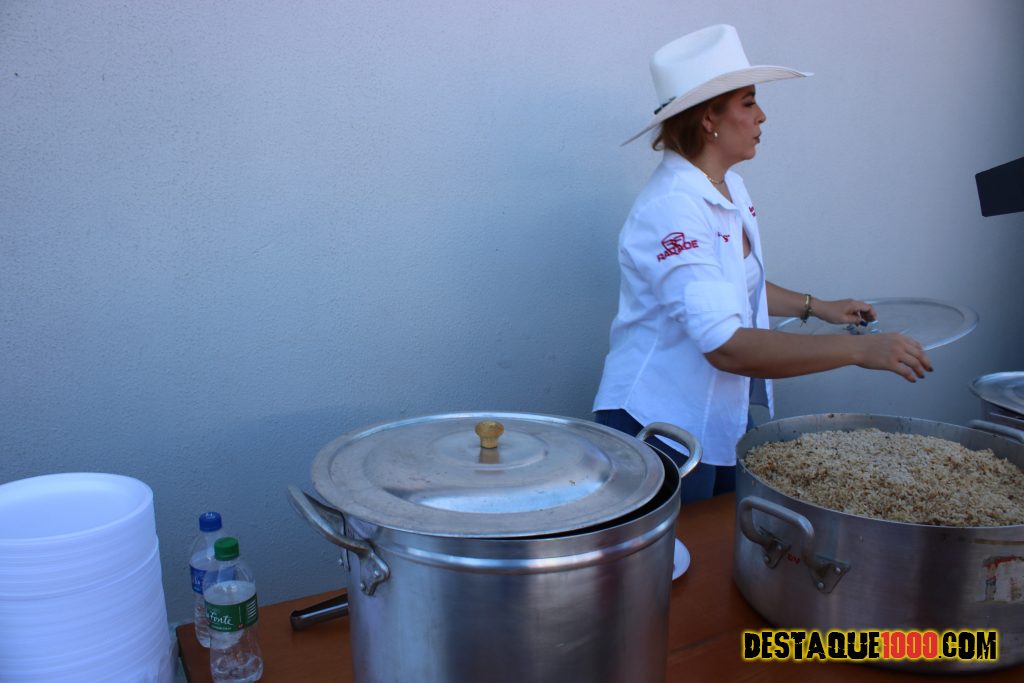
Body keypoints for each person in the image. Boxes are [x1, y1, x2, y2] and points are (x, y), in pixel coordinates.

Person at [592, 25, 932, 503]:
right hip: (659, 427)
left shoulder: (727, 186)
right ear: (709, 118)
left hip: (716, 419)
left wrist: (817, 306)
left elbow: (731, 283)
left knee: (721, 538)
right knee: (684, 550)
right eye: (749, 102)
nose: (762, 115)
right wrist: (858, 351)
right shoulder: (672, 208)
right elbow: (725, 346)